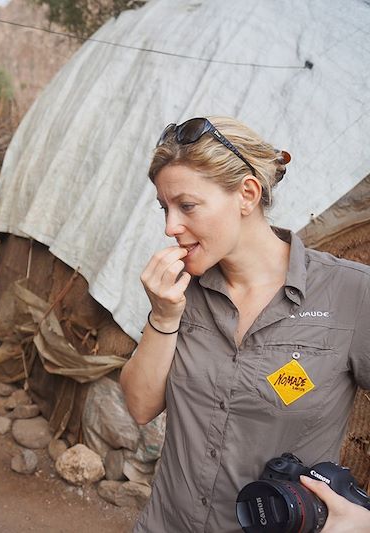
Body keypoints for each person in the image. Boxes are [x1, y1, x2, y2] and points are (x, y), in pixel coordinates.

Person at [119, 116, 370, 533]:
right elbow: (141, 407)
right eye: (164, 208)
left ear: (247, 194)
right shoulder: (181, 292)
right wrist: (163, 316)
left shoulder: (351, 293)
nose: (169, 228)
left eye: (187, 205)